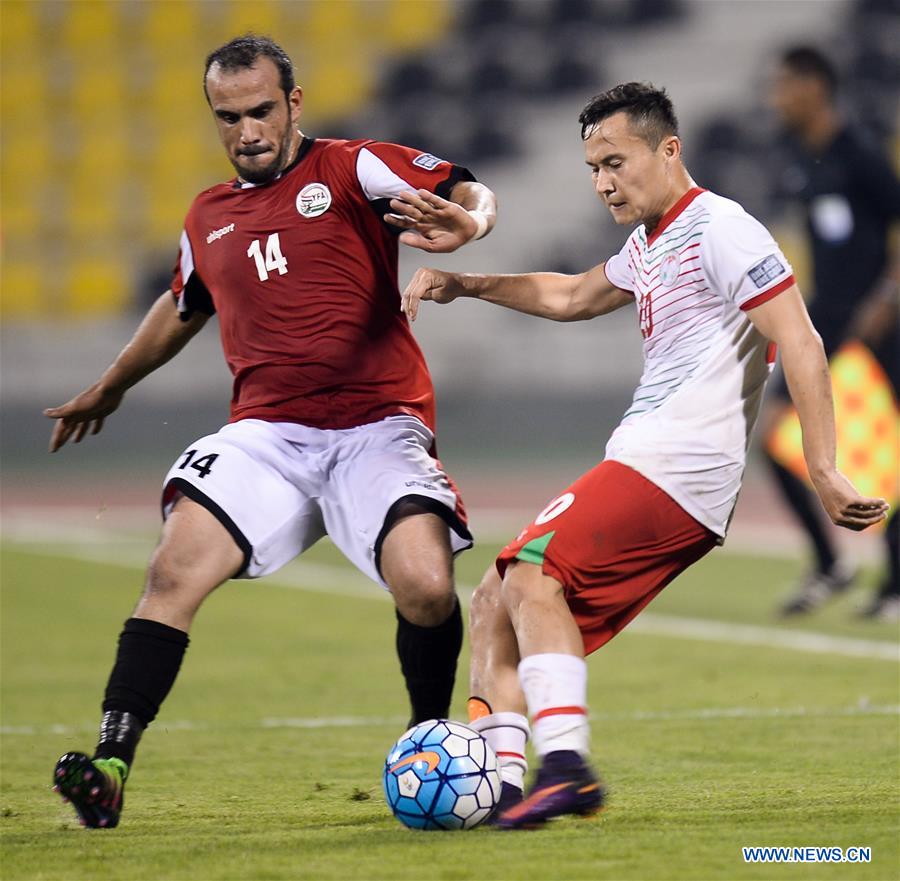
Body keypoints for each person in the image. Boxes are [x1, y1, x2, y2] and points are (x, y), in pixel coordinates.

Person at [402, 82, 888, 829]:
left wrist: (823, 466)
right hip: (648, 455)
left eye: (615, 161)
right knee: (494, 596)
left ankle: (566, 766)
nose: (602, 181)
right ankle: (500, 783)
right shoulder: (648, 241)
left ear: (668, 150)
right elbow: (570, 296)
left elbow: (800, 340)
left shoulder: (721, 228)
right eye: (593, 166)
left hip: (681, 460)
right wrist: (466, 284)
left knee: (534, 574)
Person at [45, 35, 497, 829]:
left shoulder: (353, 168)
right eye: (228, 117)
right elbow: (182, 304)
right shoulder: (208, 216)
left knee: (427, 588)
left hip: (376, 428)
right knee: (173, 569)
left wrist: (472, 222)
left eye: (260, 111)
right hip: (269, 438)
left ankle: (428, 738)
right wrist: (111, 385)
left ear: (293, 103)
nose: (246, 130)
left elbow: (466, 187)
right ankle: (111, 762)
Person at [765, 46, 900, 619]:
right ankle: (830, 562)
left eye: (787, 84)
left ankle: (894, 582)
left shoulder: (860, 153)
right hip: (823, 317)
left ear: (816, 86)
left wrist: (885, 300)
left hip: (877, 322)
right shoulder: (801, 158)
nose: (778, 97)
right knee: (774, 432)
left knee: (889, 451)